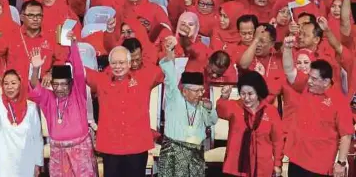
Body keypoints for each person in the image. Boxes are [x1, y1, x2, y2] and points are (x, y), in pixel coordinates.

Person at [85, 46, 160, 177]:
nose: (117, 66)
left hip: (137, 145)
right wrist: (72, 45)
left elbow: (159, 71)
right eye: (114, 63)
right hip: (111, 146)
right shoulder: (102, 81)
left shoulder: (143, 79)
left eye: (122, 62)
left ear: (130, 63)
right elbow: (80, 71)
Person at [29, 37, 98, 177]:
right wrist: (36, 69)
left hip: (80, 149)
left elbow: (78, 71)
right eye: (55, 84)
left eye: (63, 84)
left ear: (71, 84)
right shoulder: (48, 97)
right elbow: (34, 87)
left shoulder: (77, 94)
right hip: (58, 152)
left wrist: (73, 45)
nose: (59, 88)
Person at [284, 60, 353, 176]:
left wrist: (340, 163)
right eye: (309, 77)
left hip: (318, 166)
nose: (309, 81)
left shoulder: (339, 102)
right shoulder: (306, 89)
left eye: (314, 79)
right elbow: (289, 70)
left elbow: (346, 135)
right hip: (296, 159)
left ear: (326, 82)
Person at [158, 41, 217, 177]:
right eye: (196, 91)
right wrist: (169, 56)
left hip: (195, 156)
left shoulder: (202, 105)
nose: (200, 94)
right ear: (184, 91)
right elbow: (170, 78)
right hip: (173, 154)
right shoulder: (175, 98)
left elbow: (212, 122)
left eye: (201, 90)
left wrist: (210, 109)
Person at [0, 64, 43, 177]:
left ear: (20, 84)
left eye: (13, 83)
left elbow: (37, 137)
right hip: (1, 164)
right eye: (6, 84)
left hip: (25, 162)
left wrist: (38, 163)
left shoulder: (31, 107)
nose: (9, 87)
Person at [217, 71, 284, 177]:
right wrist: (224, 96)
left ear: (258, 92)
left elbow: (278, 141)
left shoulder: (271, 111)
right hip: (236, 166)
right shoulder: (234, 106)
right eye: (243, 94)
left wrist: (277, 164)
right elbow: (220, 110)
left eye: (250, 94)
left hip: (262, 167)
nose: (246, 98)